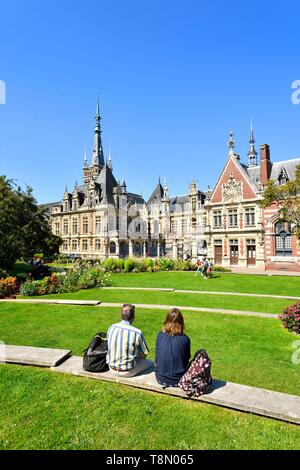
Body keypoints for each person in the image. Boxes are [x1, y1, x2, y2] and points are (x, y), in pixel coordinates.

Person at [107, 304, 154, 377]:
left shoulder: (111, 327)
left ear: (121, 315)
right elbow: (145, 353)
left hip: (111, 368)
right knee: (151, 363)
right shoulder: (137, 332)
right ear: (133, 316)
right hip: (127, 371)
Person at [155, 308, 191, 388]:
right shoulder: (185, 339)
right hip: (178, 380)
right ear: (181, 322)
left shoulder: (160, 335)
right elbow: (186, 359)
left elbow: (157, 357)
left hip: (160, 377)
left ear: (167, 320)